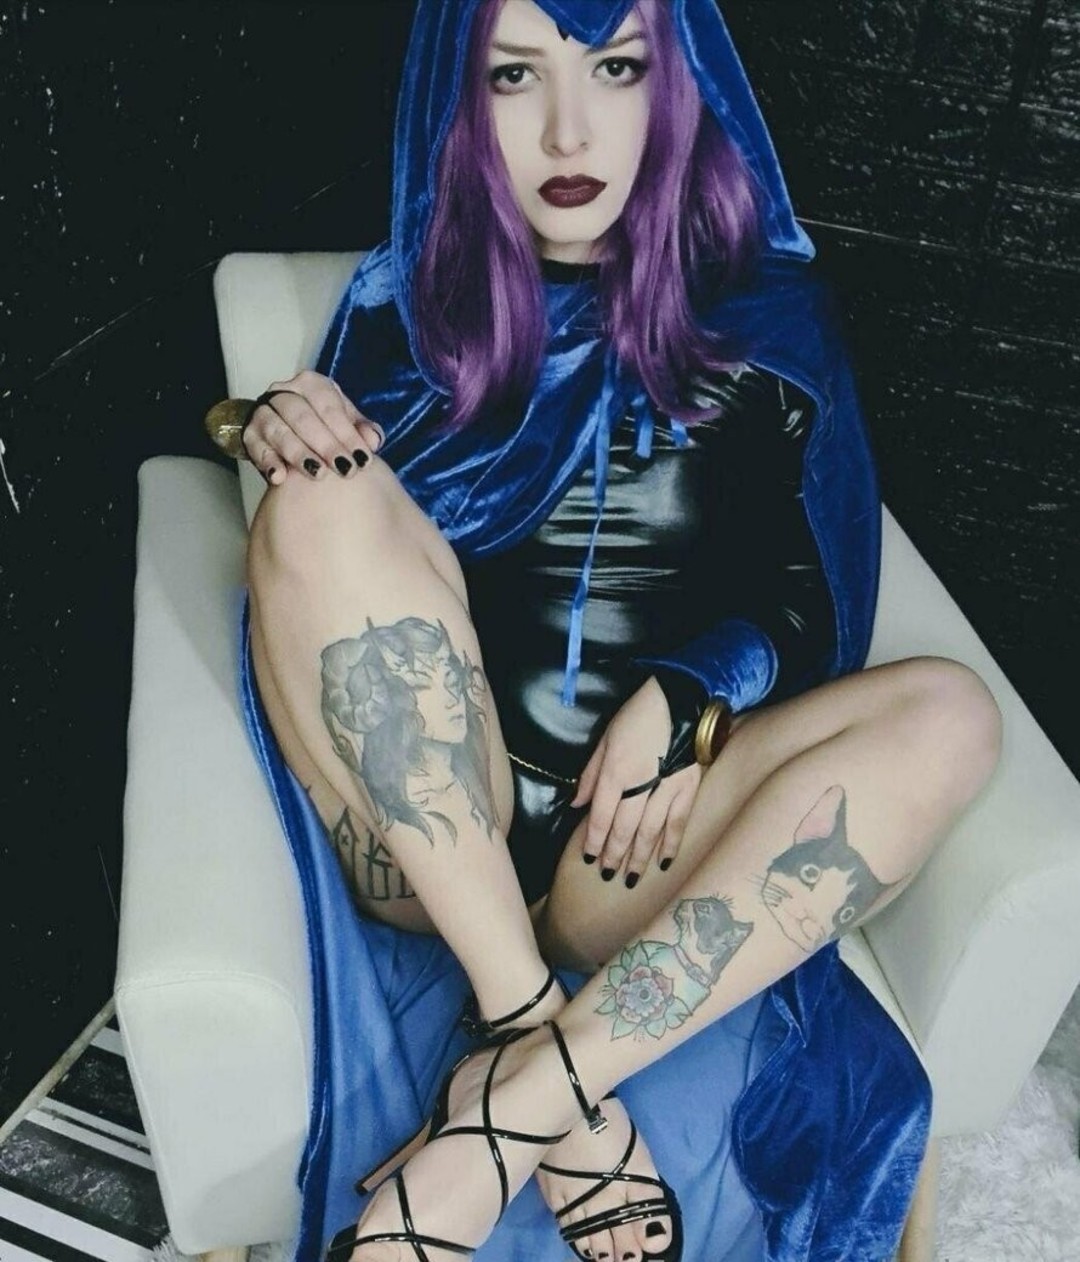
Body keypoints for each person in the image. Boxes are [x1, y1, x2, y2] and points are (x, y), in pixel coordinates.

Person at [227, 1, 1002, 1259]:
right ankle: (540, 1053)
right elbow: (335, 578)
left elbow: (810, 595)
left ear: (675, 84)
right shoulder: (405, 303)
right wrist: (274, 428)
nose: (569, 130)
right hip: (442, 832)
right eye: (515, 76)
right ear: (461, 99)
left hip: (629, 841)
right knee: (313, 506)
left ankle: (524, 1097)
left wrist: (688, 695)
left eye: (616, 67)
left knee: (952, 714)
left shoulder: (767, 310)